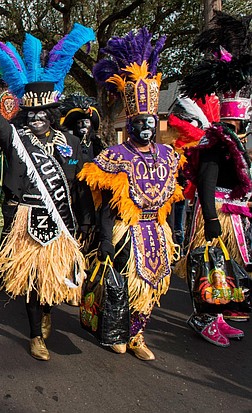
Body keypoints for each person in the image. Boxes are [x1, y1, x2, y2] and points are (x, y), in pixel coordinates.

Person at [0, 24, 95, 360]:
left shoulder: (68, 143)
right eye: (33, 114)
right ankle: (33, 334)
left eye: (44, 115)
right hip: (26, 218)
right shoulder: (15, 139)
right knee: (29, 279)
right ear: (27, 114)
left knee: (52, 279)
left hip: (62, 217)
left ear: (52, 115)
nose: (38, 119)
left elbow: (79, 184)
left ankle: (47, 312)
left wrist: (85, 221)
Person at [81, 28, 183, 360]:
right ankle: (114, 332)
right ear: (131, 121)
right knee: (121, 286)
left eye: (150, 121)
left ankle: (137, 335)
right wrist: (106, 238)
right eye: (138, 121)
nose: (145, 127)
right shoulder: (115, 156)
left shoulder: (169, 156)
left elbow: (172, 197)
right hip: (127, 232)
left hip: (157, 231)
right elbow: (106, 203)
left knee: (150, 289)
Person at [179, 12, 252, 345]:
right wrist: (210, 218)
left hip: (231, 212)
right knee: (207, 265)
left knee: (225, 268)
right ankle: (202, 317)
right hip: (214, 211)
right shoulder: (215, 139)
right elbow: (207, 181)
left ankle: (219, 317)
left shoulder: (234, 139)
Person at [60, 94, 104, 161]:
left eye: (87, 122)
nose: (84, 125)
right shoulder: (67, 143)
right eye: (79, 122)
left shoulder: (97, 144)